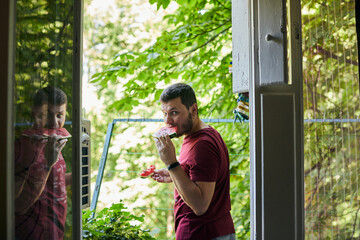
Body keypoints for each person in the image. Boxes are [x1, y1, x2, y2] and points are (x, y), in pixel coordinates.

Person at [151, 83, 236, 240]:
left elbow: (200, 205)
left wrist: (171, 163)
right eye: (164, 113)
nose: (167, 120)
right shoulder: (201, 134)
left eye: (174, 112)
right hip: (213, 231)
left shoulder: (202, 145)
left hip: (202, 232)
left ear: (193, 110)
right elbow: (202, 176)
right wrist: (175, 173)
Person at [15, 86, 71, 240]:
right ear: (34, 113)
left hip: (54, 232)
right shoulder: (22, 148)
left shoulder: (51, 142)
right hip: (32, 233)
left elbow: (52, 182)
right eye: (47, 114)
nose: (54, 123)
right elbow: (18, 205)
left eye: (60, 115)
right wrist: (48, 162)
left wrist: (79, 175)